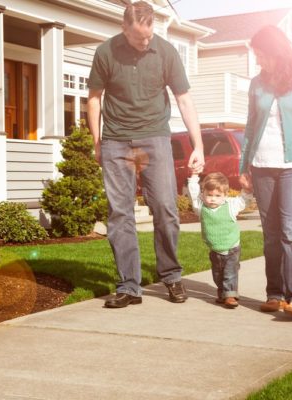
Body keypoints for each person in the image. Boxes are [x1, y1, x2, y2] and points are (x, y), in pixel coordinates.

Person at [87, 0, 204, 308]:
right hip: (117, 141)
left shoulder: (165, 52)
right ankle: (129, 286)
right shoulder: (106, 53)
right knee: (120, 212)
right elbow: (95, 99)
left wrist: (198, 145)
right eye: (138, 36)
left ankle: (171, 275)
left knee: (165, 207)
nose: (144, 41)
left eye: (149, 34)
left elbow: (184, 99)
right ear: (124, 28)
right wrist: (98, 142)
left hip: (154, 138)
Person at [239, 25, 292, 316]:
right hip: (261, 165)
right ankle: (274, 293)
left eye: (262, 55)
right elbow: (249, 126)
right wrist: (243, 165)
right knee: (270, 234)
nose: (259, 61)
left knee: (289, 231)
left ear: (276, 52)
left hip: (290, 167)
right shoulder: (256, 83)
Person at [188, 172, 253, 308]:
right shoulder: (201, 208)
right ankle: (223, 293)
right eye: (209, 195)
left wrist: (247, 189)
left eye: (217, 196)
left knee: (230, 272)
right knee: (217, 274)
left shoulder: (230, 206)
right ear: (203, 194)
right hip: (215, 249)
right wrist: (194, 178)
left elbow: (243, 200)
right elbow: (193, 195)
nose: (213, 199)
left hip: (232, 247)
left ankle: (230, 296)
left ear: (225, 195)